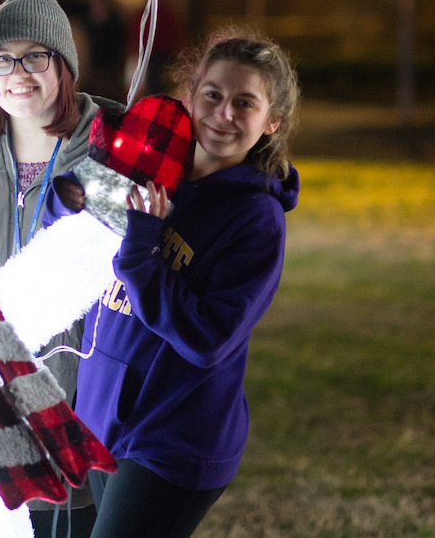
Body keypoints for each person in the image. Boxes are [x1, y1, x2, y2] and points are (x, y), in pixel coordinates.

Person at [48, 27, 300, 538]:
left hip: (174, 439)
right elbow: (72, 244)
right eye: (213, 95)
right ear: (192, 95)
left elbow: (207, 341)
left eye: (244, 103)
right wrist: (67, 200)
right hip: (101, 416)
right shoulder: (149, 163)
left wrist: (143, 250)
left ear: (271, 121)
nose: (223, 114)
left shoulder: (256, 220)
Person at [0, 0, 122, 537]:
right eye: (2, 58)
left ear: (64, 64)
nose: (18, 72)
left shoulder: (110, 148)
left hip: (82, 409)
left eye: (35, 56)